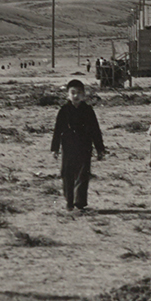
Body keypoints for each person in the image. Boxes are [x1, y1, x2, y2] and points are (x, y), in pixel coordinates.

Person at [50, 79, 107, 211]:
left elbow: (95, 131)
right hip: (68, 147)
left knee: (83, 174)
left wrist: (100, 149)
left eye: (79, 93)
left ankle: (79, 202)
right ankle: (69, 201)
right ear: (68, 95)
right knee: (67, 173)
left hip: (84, 147)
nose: (76, 96)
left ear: (84, 94)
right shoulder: (64, 110)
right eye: (73, 93)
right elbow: (58, 130)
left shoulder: (88, 110)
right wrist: (55, 148)